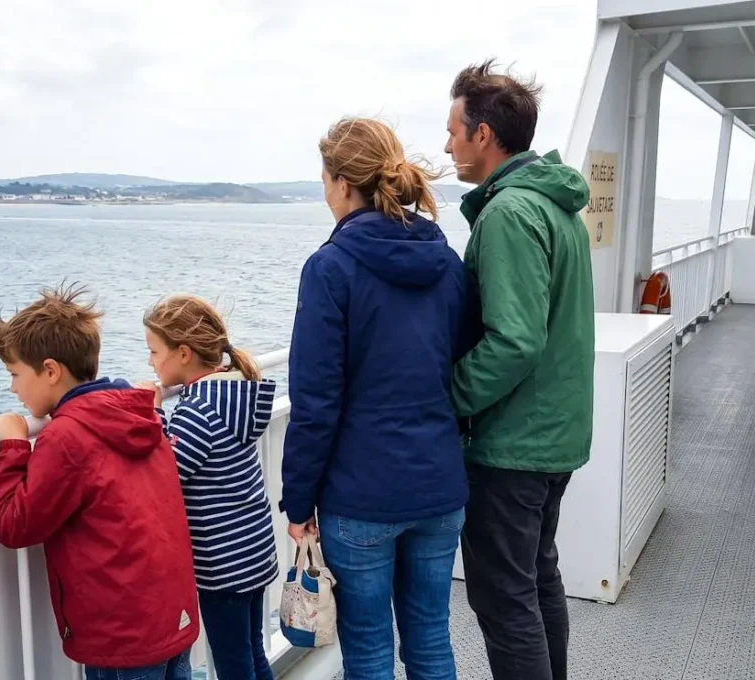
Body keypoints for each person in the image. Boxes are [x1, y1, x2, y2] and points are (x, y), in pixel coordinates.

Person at [280, 117, 473, 680]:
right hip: (439, 486)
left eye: (324, 178)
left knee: (367, 652)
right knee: (432, 640)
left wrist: (299, 503)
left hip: (361, 496)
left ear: (342, 182)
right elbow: (459, 358)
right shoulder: (446, 262)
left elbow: (315, 403)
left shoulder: (330, 268)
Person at [444, 59, 595, 680]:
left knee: (504, 599)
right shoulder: (556, 205)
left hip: (512, 444)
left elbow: (514, 340)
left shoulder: (508, 214)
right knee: (537, 580)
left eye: (453, 129)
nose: (447, 143)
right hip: (555, 435)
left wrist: (449, 395)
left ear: (484, 135)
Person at [0, 285, 199, 680]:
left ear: (50, 371)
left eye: (15, 374)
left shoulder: (67, 437)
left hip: (122, 636)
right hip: (171, 615)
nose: (12, 388)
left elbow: (16, 524)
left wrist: (14, 446)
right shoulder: (136, 413)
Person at [137, 295, 278, 680]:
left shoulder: (199, 410)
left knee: (233, 663)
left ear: (183, 353)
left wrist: (153, 413)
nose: (150, 362)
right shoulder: (234, 395)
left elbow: (167, 473)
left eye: (154, 351)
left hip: (223, 564)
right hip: (252, 551)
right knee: (251, 651)